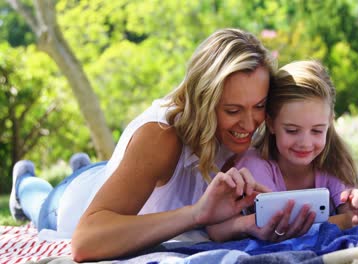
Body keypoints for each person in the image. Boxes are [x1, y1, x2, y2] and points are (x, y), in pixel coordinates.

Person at [9, 28, 284, 262]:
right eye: (233, 111)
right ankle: (24, 182)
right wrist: (196, 214)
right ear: (203, 102)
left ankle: (83, 167)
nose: (249, 124)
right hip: (73, 205)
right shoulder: (160, 136)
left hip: (127, 178)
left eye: (258, 106)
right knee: (41, 200)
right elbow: (85, 242)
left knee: (105, 173)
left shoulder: (254, 130)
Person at [206, 60, 358, 242]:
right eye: (292, 130)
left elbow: (350, 210)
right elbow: (281, 226)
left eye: (317, 130)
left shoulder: (330, 162)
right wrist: (344, 221)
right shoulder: (254, 166)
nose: (305, 143)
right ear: (271, 123)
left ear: (329, 123)